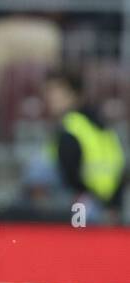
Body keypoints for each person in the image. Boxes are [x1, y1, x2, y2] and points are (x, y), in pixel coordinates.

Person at [43, 68, 126, 219]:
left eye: (56, 91)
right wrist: (114, 207)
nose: (50, 98)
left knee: (38, 172)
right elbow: (120, 168)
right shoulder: (103, 125)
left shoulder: (71, 126)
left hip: (85, 206)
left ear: (75, 94)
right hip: (109, 204)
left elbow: (70, 175)